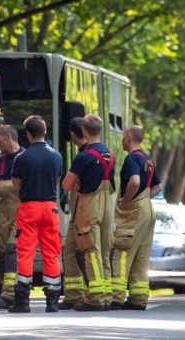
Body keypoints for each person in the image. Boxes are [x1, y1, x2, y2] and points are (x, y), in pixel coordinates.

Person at [9, 115, 63, 313]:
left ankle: (22, 301)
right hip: (50, 208)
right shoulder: (56, 156)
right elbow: (57, 179)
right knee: (51, 253)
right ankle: (52, 301)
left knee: (26, 253)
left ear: (28, 135)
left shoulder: (21, 157)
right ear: (44, 132)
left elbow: (16, 183)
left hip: (29, 208)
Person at [62, 115, 115, 312]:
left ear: (84, 131)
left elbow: (67, 184)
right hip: (106, 205)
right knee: (104, 250)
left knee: (90, 251)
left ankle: (95, 297)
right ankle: (107, 295)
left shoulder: (83, 157)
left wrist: (76, 182)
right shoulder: (110, 154)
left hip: (89, 205)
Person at [111, 125, 162, 311]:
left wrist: (126, 200)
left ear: (129, 136)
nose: (122, 140)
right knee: (141, 256)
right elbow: (158, 187)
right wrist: (143, 198)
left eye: (123, 136)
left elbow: (134, 181)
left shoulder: (132, 159)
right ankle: (138, 298)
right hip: (148, 212)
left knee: (122, 252)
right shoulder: (147, 159)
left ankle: (116, 297)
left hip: (134, 213)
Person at [0, 125, 25, 309]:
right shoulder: (1, 161)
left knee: (12, 250)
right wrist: (13, 186)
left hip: (20, 211)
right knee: (3, 253)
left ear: (8, 137)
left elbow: (23, 186)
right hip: (4, 213)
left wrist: (5, 185)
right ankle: (2, 290)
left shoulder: (24, 157)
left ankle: (10, 294)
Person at [58, 117, 88, 310]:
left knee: (76, 251)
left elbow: (67, 184)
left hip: (81, 212)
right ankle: (80, 294)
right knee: (80, 251)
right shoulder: (104, 154)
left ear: (72, 134)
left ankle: (77, 294)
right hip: (86, 211)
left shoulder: (82, 157)